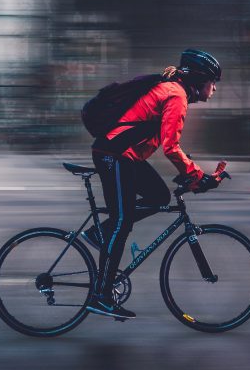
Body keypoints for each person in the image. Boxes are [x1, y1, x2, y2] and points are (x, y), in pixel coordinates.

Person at [83, 49, 222, 319]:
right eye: (213, 82)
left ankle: (102, 233)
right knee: (122, 223)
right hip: (114, 154)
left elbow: (166, 143)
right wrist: (195, 175)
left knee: (159, 196)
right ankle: (101, 295)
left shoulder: (173, 90)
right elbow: (171, 147)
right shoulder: (176, 95)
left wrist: (191, 173)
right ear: (200, 79)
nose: (214, 88)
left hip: (124, 155)